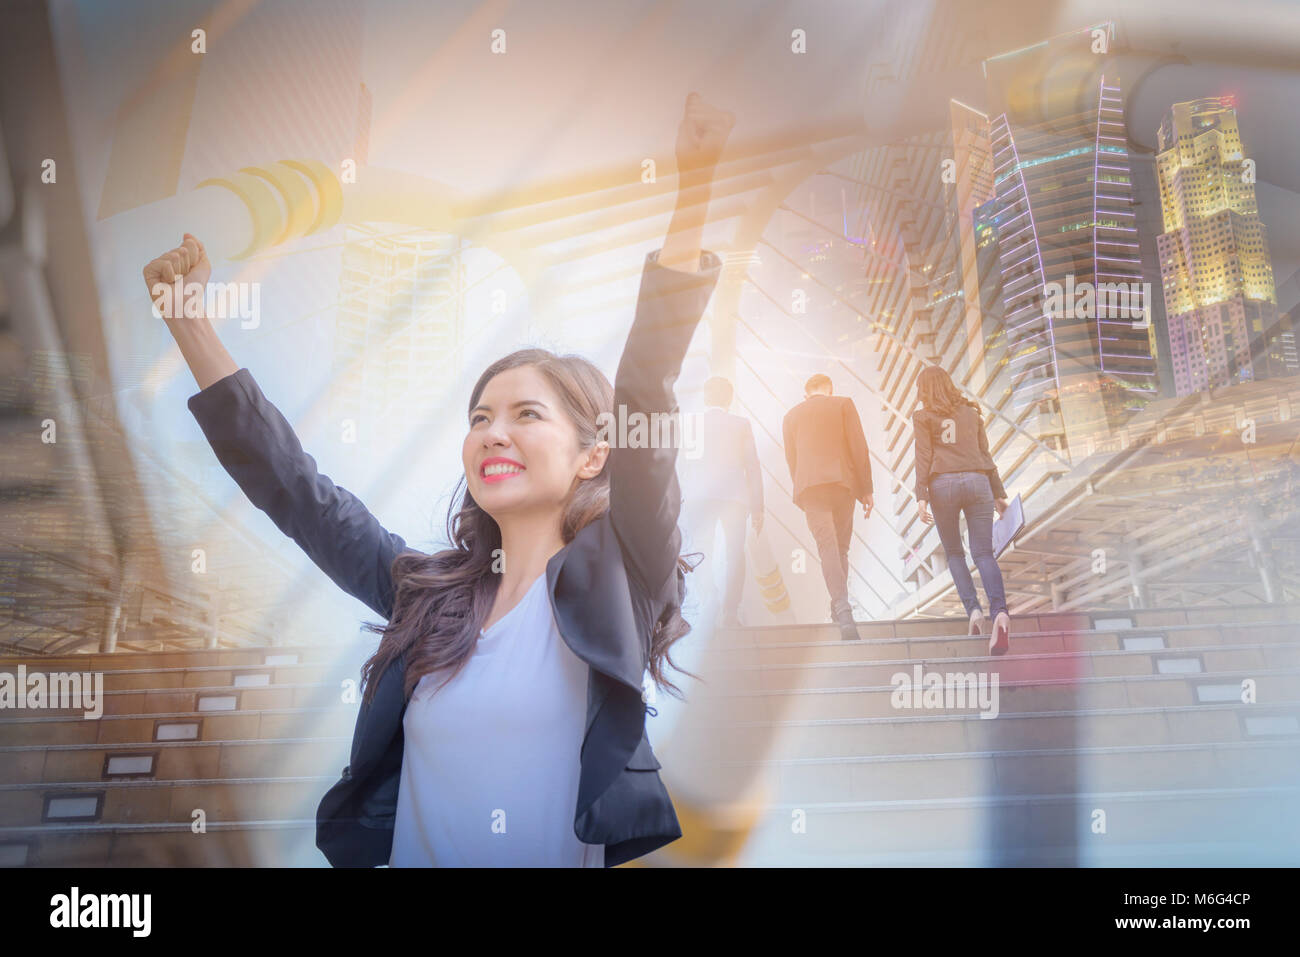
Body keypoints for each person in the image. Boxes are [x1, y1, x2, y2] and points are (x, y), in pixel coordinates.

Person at [144, 92, 735, 867]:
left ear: (596, 454)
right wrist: (189, 321)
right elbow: (296, 490)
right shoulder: (424, 598)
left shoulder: (623, 580)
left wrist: (693, 190)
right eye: (480, 416)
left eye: (528, 414)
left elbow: (649, 386)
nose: (493, 432)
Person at [911, 364, 1011, 655]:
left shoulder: (923, 416)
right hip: (979, 481)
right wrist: (999, 494)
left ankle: (974, 613)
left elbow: (923, 456)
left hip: (944, 486)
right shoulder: (971, 412)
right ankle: (1000, 612)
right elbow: (985, 455)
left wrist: (921, 497)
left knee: (954, 553)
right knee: (983, 553)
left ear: (923, 391)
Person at [781, 374, 873, 641]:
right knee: (841, 548)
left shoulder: (791, 416)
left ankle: (841, 609)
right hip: (842, 485)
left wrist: (802, 487)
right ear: (829, 390)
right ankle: (842, 608)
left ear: (805, 393)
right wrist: (866, 489)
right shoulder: (843, 404)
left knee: (827, 548)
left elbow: (791, 460)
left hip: (810, 489)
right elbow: (859, 447)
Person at [678, 376, 763, 628]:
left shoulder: (692, 424)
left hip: (699, 497)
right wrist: (758, 507)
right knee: (735, 553)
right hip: (734, 498)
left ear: (706, 398)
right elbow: (752, 465)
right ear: (730, 399)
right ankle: (729, 611)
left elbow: (682, 465)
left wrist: (682, 497)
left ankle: (710, 599)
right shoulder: (741, 424)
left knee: (702, 551)